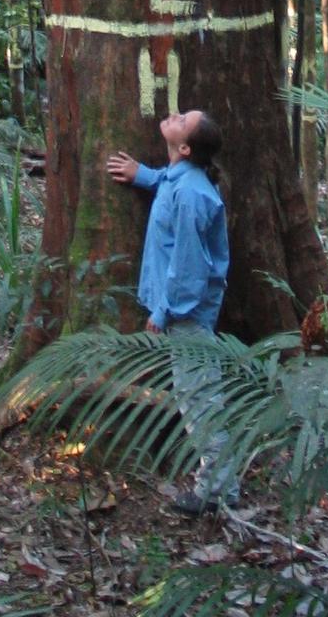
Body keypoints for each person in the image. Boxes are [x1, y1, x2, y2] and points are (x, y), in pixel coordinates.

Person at [106, 110, 236, 516]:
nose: (175, 114)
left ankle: (217, 490)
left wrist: (163, 312)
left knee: (200, 399)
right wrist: (142, 174)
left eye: (184, 120)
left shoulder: (192, 195)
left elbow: (189, 266)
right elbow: (167, 180)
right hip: (183, 310)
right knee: (195, 393)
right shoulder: (182, 179)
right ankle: (218, 483)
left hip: (188, 315)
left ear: (184, 147)